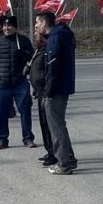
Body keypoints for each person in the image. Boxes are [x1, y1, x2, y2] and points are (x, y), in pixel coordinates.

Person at [35, 11, 77, 174]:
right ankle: (69, 159)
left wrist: (48, 92)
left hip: (56, 90)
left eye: (37, 22)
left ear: (44, 23)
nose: (36, 26)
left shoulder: (55, 39)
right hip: (61, 88)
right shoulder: (59, 36)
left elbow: (53, 68)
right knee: (60, 125)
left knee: (56, 128)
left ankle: (64, 164)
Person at [0, 16, 34, 149]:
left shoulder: (23, 41)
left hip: (20, 83)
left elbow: (32, 59)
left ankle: (28, 138)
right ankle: (2, 139)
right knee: (0, 113)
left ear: (15, 27)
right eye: (4, 26)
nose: (6, 28)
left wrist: (24, 54)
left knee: (25, 111)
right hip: (2, 84)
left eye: (9, 26)